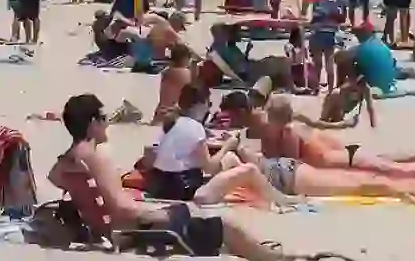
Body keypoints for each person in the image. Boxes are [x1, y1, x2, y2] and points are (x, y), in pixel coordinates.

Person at [53, 94, 297, 261]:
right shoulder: (97, 157)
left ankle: (260, 251)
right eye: (104, 119)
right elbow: (123, 210)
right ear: (93, 123)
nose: (107, 125)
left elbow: (55, 179)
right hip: (134, 230)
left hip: (111, 230)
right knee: (222, 226)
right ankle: (275, 258)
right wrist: (163, 213)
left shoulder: (68, 159)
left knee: (203, 222)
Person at [145, 85, 297, 208]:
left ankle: (265, 191)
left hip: (160, 185)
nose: (209, 109)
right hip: (184, 191)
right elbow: (209, 168)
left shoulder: (171, 123)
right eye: (208, 104)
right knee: (249, 170)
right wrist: (227, 146)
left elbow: (151, 154)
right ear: (200, 105)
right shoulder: (195, 127)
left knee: (230, 159)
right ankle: (279, 199)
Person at [260, 95, 415, 181]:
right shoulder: (298, 123)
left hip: (341, 159)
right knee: (387, 160)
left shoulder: (289, 133)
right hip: (344, 152)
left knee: (395, 170)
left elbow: (291, 167)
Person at [308, 0, 344, 90]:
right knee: (329, 64)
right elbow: (341, 19)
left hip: (318, 34)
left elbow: (314, 19)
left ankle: (316, 88)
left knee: (318, 64)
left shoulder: (317, 2)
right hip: (331, 35)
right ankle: (331, 89)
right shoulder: (337, 2)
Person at [152, 44, 195, 124]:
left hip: (159, 114)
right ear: (184, 59)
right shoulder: (185, 73)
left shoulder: (167, 71)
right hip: (172, 115)